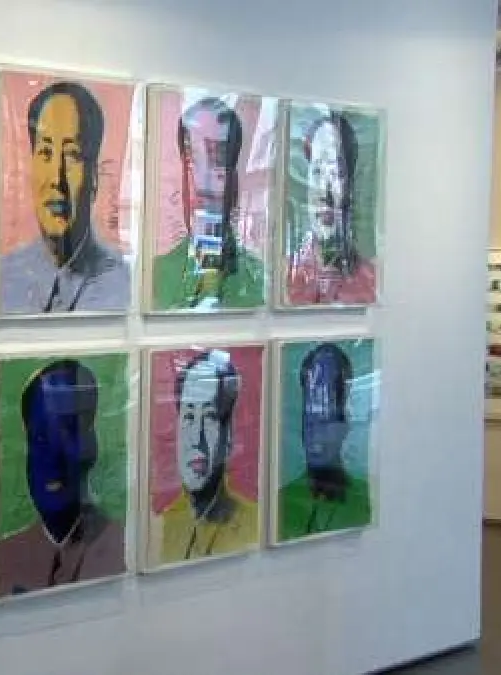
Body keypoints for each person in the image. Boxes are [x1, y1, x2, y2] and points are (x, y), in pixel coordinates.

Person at [0, 360, 126, 599]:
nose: (53, 457)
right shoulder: (3, 557)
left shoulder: (122, 544)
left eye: (69, 433)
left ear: (93, 444)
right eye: (40, 439)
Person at [0, 82, 131, 314]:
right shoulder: (2, 278)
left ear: (94, 177)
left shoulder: (123, 286)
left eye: (72, 155)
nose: (56, 179)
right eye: (45, 153)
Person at [151, 97, 265, 311]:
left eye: (218, 159)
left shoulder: (258, 280)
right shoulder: (158, 273)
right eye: (192, 160)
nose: (203, 180)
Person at [153, 351, 258, 565]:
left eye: (210, 417)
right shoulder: (162, 526)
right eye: (189, 416)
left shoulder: (254, 525)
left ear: (228, 436)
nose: (196, 439)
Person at [277, 344, 372, 541]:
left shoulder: (363, 500)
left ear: (345, 417)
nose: (315, 427)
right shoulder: (282, 502)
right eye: (311, 409)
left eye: (327, 409)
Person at [284, 113, 377, 306]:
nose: (324, 192)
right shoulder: (283, 279)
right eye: (317, 171)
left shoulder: (370, 284)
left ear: (350, 186)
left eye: (336, 173)